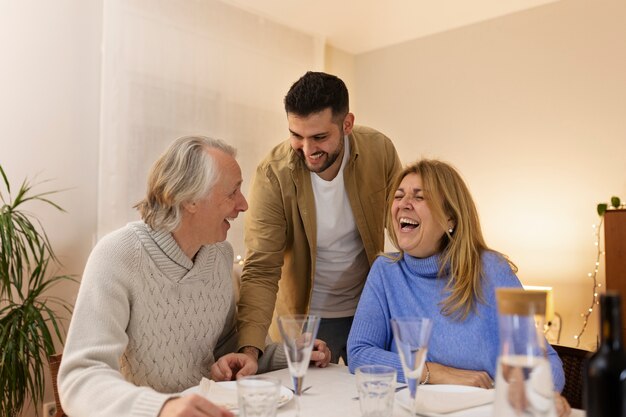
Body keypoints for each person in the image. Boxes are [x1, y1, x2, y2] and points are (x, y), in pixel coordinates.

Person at [58, 136, 330, 417]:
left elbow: (225, 346)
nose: (244, 204)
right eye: (233, 192)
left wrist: (289, 354)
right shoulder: (118, 255)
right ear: (189, 199)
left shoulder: (219, 254)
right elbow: (80, 378)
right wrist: (163, 407)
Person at [346, 159, 571, 416]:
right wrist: (437, 373)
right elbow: (360, 353)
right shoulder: (385, 270)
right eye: (399, 196)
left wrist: (541, 393)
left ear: (450, 218)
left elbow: (545, 361)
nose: (403, 204)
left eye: (419, 197)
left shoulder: (493, 269)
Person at [236, 71, 402, 365]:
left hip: (368, 312)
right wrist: (250, 350)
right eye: (296, 136)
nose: (308, 149)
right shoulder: (273, 174)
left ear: (347, 124)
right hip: (304, 322)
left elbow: (405, 231)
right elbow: (261, 269)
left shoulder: (380, 150)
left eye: (320, 137)